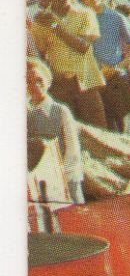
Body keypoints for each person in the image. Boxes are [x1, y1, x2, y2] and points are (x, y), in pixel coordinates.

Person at [30, 0, 106, 129]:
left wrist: (55, 25)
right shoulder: (40, 22)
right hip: (61, 87)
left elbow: (83, 46)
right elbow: (42, 56)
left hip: (86, 83)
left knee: (100, 133)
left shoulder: (85, 14)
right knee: (67, 134)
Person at [76, 0, 130, 131]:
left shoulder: (115, 17)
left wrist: (118, 67)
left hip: (115, 79)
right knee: (104, 129)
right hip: (92, 81)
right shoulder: (78, 18)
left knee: (126, 127)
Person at [27, 58, 85, 204]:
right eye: (30, 82)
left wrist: (64, 176)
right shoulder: (26, 114)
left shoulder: (60, 111)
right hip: (39, 183)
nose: (36, 85)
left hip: (66, 178)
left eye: (40, 80)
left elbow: (72, 149)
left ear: (48, 80)